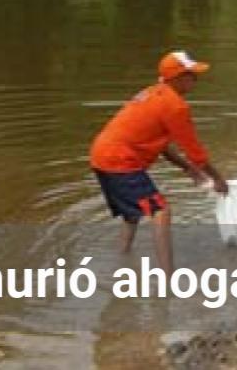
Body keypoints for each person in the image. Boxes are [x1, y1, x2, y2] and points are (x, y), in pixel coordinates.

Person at [90, 51, 229, 272]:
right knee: (161, 211)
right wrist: (219, 179)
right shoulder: (175, 106)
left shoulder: (152, 93)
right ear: (177, 78)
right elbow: (196, 152)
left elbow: (161, 144)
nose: (196, 79)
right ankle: (168, 278)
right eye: (191, 74)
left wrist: (187, 168)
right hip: (120, 160)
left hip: (100, 155)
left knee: (131, 214)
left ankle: (123, 259)